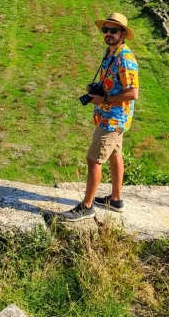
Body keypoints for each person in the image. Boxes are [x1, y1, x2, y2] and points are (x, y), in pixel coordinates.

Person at [61, 12, 139, 221]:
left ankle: (87, 207)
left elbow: (133, 93)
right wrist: (97, 90)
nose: (108, 33)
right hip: (110, 115)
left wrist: (103, 99)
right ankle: (115, 200)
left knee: (93, 159)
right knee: (115, 154)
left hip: (113, 118)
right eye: (106, 29)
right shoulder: (110, 53)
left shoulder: (125, 59)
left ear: (123, 33)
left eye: (113, 30)